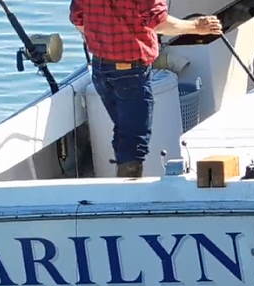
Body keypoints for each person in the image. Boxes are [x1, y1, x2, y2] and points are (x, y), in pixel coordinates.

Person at [70, 0, 222, 177]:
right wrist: (196, 26)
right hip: (131, 72)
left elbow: (78, 19)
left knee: (123, 131)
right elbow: (159, 22)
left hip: (100, 69)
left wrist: (105, 38)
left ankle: (123, 183)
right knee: (134, 140)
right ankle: (129, 192)